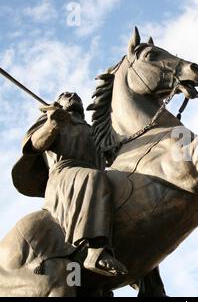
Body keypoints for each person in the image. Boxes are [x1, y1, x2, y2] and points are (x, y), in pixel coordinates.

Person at [12, 92, 127, 277]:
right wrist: (52, 124)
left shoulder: (94, 130)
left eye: (77, 96)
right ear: (59, 102)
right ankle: (95, 250)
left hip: (97, 178)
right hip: (64, 175)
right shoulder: (51, 117)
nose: (72, 95)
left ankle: (150, 281)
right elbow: (34, 144)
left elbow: (113, 155)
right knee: (93, 177)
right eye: (65, 95)